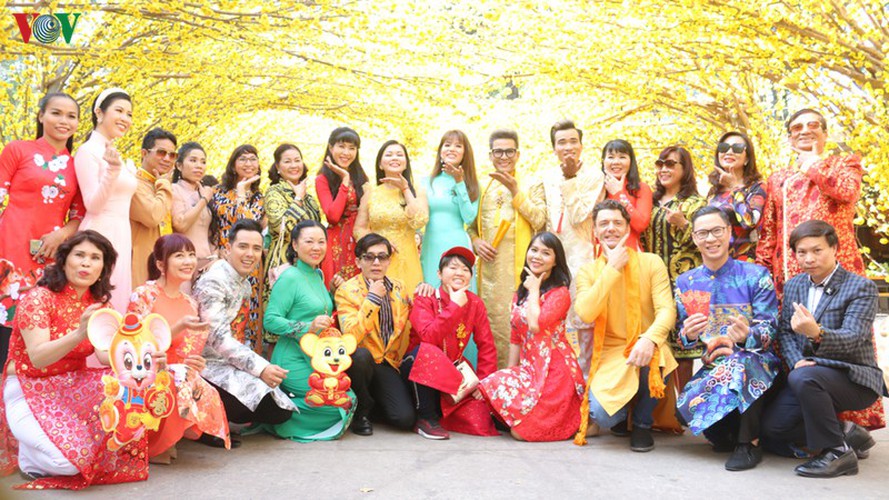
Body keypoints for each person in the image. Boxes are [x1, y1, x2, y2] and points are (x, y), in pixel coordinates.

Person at [756, 108, 884, 430]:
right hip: (791, 278)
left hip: (838, 276)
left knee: (839, 343)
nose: (805, 131)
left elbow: (846, 192)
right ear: (788, 137)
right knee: (793, 346)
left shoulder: (844, 164)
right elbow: (769, 232)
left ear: (825, 134)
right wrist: (765, 276)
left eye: (814, 126)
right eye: (797, 127)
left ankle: (849, 425)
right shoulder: (779, 179)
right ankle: (804, 423)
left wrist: (815, 165)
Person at [0, 230, 149, 489]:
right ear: (64, 260)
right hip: (29, 389)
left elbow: (106, 356)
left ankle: (66, 441)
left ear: (103, 268)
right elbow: (38, 357)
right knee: (70, 465)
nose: (85, 263)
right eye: (79, 255)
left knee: (130, 384)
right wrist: (79, 333)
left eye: (95, 258)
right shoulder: (38, 298)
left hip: (73, 388)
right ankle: (29, 458)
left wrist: (141, 353)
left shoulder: (101, 307)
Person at [761, 221, 887, 478]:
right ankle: (847, 432)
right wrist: (796, 361)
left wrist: (817, 333)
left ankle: (837, 452)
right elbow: (785, 331)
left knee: (805, 377)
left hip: (854, 378)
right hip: (806, 375)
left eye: (817, 250)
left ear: (834, 248)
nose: (809, 258)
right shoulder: (796, 285)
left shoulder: (861, 287)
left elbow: (853, 338)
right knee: (772, 429)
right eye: (802, 252)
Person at [674, 206, 781, 471]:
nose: (710, 239)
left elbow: (770, 328)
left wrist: (748, 336)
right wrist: (688, 335)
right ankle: (735, 434)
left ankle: (749, 444)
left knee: (742, 362)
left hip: (758, 365)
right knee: (688, 414)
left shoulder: (756, 275)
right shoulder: (686, 282)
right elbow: (681, 335)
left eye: (716, 231)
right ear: (695, 238)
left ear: (729, 233)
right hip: (715, 369)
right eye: (702, 233)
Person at [573, 200, 676, 452]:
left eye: (617, 223)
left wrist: (649, 338)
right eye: (604, 224)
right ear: (595, 232)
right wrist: (611, 268)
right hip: (612, 352)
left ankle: (641, 424)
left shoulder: (651, 262)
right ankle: (624, 416)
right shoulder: (588, 271)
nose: (611, 229)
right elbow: (585, 312)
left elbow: (666, 310)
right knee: (602, 415)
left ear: (628, 228)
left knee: (653, 354)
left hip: (645, 344)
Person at [127, 234, 230, 464]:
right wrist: (177, 327)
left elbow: (187, 351)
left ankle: (168, 438)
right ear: (160, 264)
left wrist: (195, 363)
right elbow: (135, 343)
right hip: (144, 369)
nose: (188, 261)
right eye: (179, 255)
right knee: (175, 382)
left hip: (174, 370)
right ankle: (154, 443)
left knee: (195, 381)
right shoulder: (145, 295)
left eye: (191, 255)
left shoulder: (190, 302)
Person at [0, 93, 84, 368]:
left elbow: (78, 215)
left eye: (71, 116)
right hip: (9, 243)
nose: (64, 121)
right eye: (56, 113)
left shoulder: (77, 166)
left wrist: (60, 236)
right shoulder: (17, 150)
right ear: (41, 116)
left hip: (49, 253)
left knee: (35, 320)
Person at [192, 220, 295, 435]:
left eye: (256, 248)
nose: (250, 254)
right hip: (206, 365)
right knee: (273, 406)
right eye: (243, 246)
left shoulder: (243, 281)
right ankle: (203, 423)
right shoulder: (215, 281)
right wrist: (259, 368)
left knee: (281, 406)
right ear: (228, 248)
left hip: (229, 361)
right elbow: (218, 338)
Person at [480, 232, 584, 441]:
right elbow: (516, 337)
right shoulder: (520, 293)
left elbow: (535, 325)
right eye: (534, 250)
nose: (537, 256)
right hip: (530, 369)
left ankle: (578, 424)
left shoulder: (560, 293)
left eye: (546, 253)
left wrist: (535, 289)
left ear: (556, 261)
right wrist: (511, 373)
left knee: (519, 434)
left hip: (555, 372)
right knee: (494, 381)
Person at [521, 120, 604, 371]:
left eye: (573, 141)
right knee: (551, 321)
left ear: (581, 145)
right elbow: (541, 219)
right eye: (562, 142)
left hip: (581, 257)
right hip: (552, 260)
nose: (568, 147)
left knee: (582, 322)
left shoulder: (594, 175)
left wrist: (570, 180)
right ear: (554, 148)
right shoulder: (546, 177)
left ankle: (584, 385)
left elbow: (580, 215)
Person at [264, 220, 356, 441]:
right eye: (309, 241)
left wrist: (332, 293)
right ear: (295, 245)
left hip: (316, 356)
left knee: (347, 398)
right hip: (292, 357)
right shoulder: (290, 277)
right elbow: (270, 320)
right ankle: (276, 419)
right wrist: (308, 327)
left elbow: (317, 309)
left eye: (321, 242)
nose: (316, 247)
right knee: (331, 405)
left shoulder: (318, 275)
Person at [402, 247, 499, 439]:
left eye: (465, 269)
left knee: (480, 421)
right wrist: (454, 306)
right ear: (439, 273)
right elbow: (429, 337)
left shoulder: (475, 303)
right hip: (418, 370)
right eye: (453, 267)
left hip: (453, 374)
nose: (459, 273)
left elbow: (487, 345)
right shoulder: (425, 298)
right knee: (429, 350)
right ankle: (426, 418)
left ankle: (441, 413)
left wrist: (484, 384)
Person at [469, 130, 545, 368]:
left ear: (518, 154)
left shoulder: (532, 183)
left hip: (522, 271)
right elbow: (470, 226)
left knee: (520, 329)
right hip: (490, 276)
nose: (504, 156)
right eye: (498, 151)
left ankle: (521, 386)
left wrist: (515, 191)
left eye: (509, 151)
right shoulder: (481, 187)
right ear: (491, 155)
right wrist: (475, 241)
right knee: (492, 332)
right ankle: (494, 386)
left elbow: (539, 220)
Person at [335, 233, 415, 436]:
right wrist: (372, 299)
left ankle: (375, 404)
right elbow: (351, 335)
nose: (376, 262)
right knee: (361, 356)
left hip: (388, 363)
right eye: (369, 257)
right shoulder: (346, 290)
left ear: (389, 260)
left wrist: (426, 291)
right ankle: (361, 413)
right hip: (361, 363)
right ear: (358, 261)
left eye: (382, 257)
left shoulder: (400, 288)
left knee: (405, 419)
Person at [642, 146, 706, 388]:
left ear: (684, 168)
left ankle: (687, 409)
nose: (664, 169)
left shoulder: (696, 203)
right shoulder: (650, 201)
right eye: (660, 164)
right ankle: (663, 415)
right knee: (657, 343)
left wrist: (683, 225)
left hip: (685, 284)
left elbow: (708, 243)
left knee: (684, 349)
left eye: (671, 164)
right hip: (653, 284)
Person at [74, 87, 137, 312]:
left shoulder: (113, 153)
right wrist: (113, 171)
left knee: (117, 300)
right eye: (119, 110)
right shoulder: (87, 152)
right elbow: (93, 204)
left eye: (129, 114)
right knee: (99, 301)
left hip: (122, 233)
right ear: (99, 113)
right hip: (99, 233)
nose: (125, 118)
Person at [263, 143, 322, 347]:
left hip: (309, 264)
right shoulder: (274, 192)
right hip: (283, 261)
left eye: (297, 160)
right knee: (281, 319)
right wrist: (297, 199)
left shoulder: (310, 198)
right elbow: (280, 227)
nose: (294, 165)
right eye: (287, 161)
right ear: (278, 167)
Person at [209, 145, 265, 351]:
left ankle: (247, 354)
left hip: (248, 261)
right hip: (222, 258)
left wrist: (242, 193)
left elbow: (246, 227)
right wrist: (215, 249)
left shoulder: (259, 198)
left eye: (253, 159)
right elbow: (211, 224)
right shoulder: (217, 192)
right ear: (233, 164)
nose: (248, 164)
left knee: (246, 310)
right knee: (221, 310)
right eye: (243, 159)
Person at [355, 140, 428, 294]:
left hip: (407, 260)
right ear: (380, 164)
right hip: (378, 261)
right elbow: (359, 228)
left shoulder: (417, 190)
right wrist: (379, 243)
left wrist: (405, 189)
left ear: (406, 163)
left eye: (399, 154)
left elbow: (420, 221)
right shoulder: (371, 192)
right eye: (389, 154)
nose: (394, 158)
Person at [419, 130, 480, 290]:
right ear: (440, 151)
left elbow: (469, 218)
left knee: (459, 296)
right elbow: (417, 219)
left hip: (457, 245)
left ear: (465, 153)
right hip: (431, 245)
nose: (451, 149)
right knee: (431, 293)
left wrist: (459, 182)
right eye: (447, 145)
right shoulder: (426, 182)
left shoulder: (471, 184)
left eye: (458, 146)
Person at [315, 127, 367, 289]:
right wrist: (344, 180)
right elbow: (333, 216)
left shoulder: (361, 178)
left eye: (352, 148)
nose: (346, 152)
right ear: (331, 148)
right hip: (336, 243)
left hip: (360, 240)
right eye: (341, 146)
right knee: (339, 291)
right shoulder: (322, 179)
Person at [707, 132, 767, 261]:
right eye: (723, 148)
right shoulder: (714, 191)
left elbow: (749, 222)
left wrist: (734, 187)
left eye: (737, 148)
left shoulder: (757, 187)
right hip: (716, 262)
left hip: (745, 264)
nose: (729, 152)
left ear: (747, 159)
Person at [130, 128, 176, 288]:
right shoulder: (134, 183)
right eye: (161, 153)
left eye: (172, 155)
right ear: (144, 153)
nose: (167, 159)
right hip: (140, 263)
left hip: (164, 263)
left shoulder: (159, 185)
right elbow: (152, 216)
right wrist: (164, 184)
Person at [171, 142, 217, 276]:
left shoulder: (204, 191)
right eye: (193, 160)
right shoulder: (175, 190)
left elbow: (210, 232)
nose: (199, 166)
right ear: (179, 165)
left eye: (203, 162)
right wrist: (204, 200)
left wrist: (215, 255)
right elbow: (181, 224)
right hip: (184, 264)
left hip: (208, 264)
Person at [601, 139, 652, 251]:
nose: (616, 162)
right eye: (611, 157)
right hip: (600, 253)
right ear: (603, 161)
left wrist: (618, 194)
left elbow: (641, 225)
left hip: (630, 251)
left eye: (622, 157)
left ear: (631, 161)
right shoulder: (597, 189)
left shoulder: (641, 188)